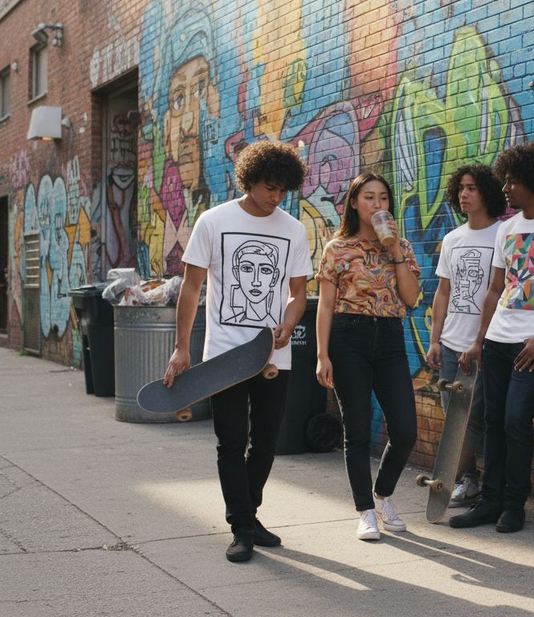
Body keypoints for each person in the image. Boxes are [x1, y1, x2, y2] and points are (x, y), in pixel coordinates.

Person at [162, 141, 311, 563]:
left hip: (271, 355)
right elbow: (191, 289)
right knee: (231, 442)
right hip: (224, 355)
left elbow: (298, 294)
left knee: (265, 442)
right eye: (269, 188)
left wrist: (290, 320)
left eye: (283, 190)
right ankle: (241, 528)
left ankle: (250, 513)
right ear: (248, 180)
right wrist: (181, 349)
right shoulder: (213, 221)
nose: (275, 198)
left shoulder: (293, 229)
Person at [450, 142, 534, 533]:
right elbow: (495, 290)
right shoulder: (508, 229)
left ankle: (515, 504)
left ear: (533, 181)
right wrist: (479, 340)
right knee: (494, 420)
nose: (505, 187)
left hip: (533, 343)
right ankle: (490, 502)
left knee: (515, 418)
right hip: (497, 339)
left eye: (512, 181)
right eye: (505, 179)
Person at [315, 172, 421, 542]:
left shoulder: (402, 247)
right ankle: (364, 511)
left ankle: (383, 496)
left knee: (406, 430)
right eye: (369, 197)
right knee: (357, 429)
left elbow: (410, 299)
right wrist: (322, 354)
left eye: (383, 198)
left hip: (390, 337)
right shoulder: (337, 248)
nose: (378, 204)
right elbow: (326, 306)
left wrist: (394, 253)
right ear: (355, 203)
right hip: (348, 337)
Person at [426, 165, 506, 508]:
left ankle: (469, 482)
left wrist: (482, 340)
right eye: (460, 188)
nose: (464, 194)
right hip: (450, 342)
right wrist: (434, 339)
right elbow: (443, 292)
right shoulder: (454, 239)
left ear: (487, 192)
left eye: (471, 188)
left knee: (473, 420)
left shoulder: (503, 234)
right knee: (453, 419)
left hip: (484, 344)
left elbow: (502, 290)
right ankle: (468, 480)